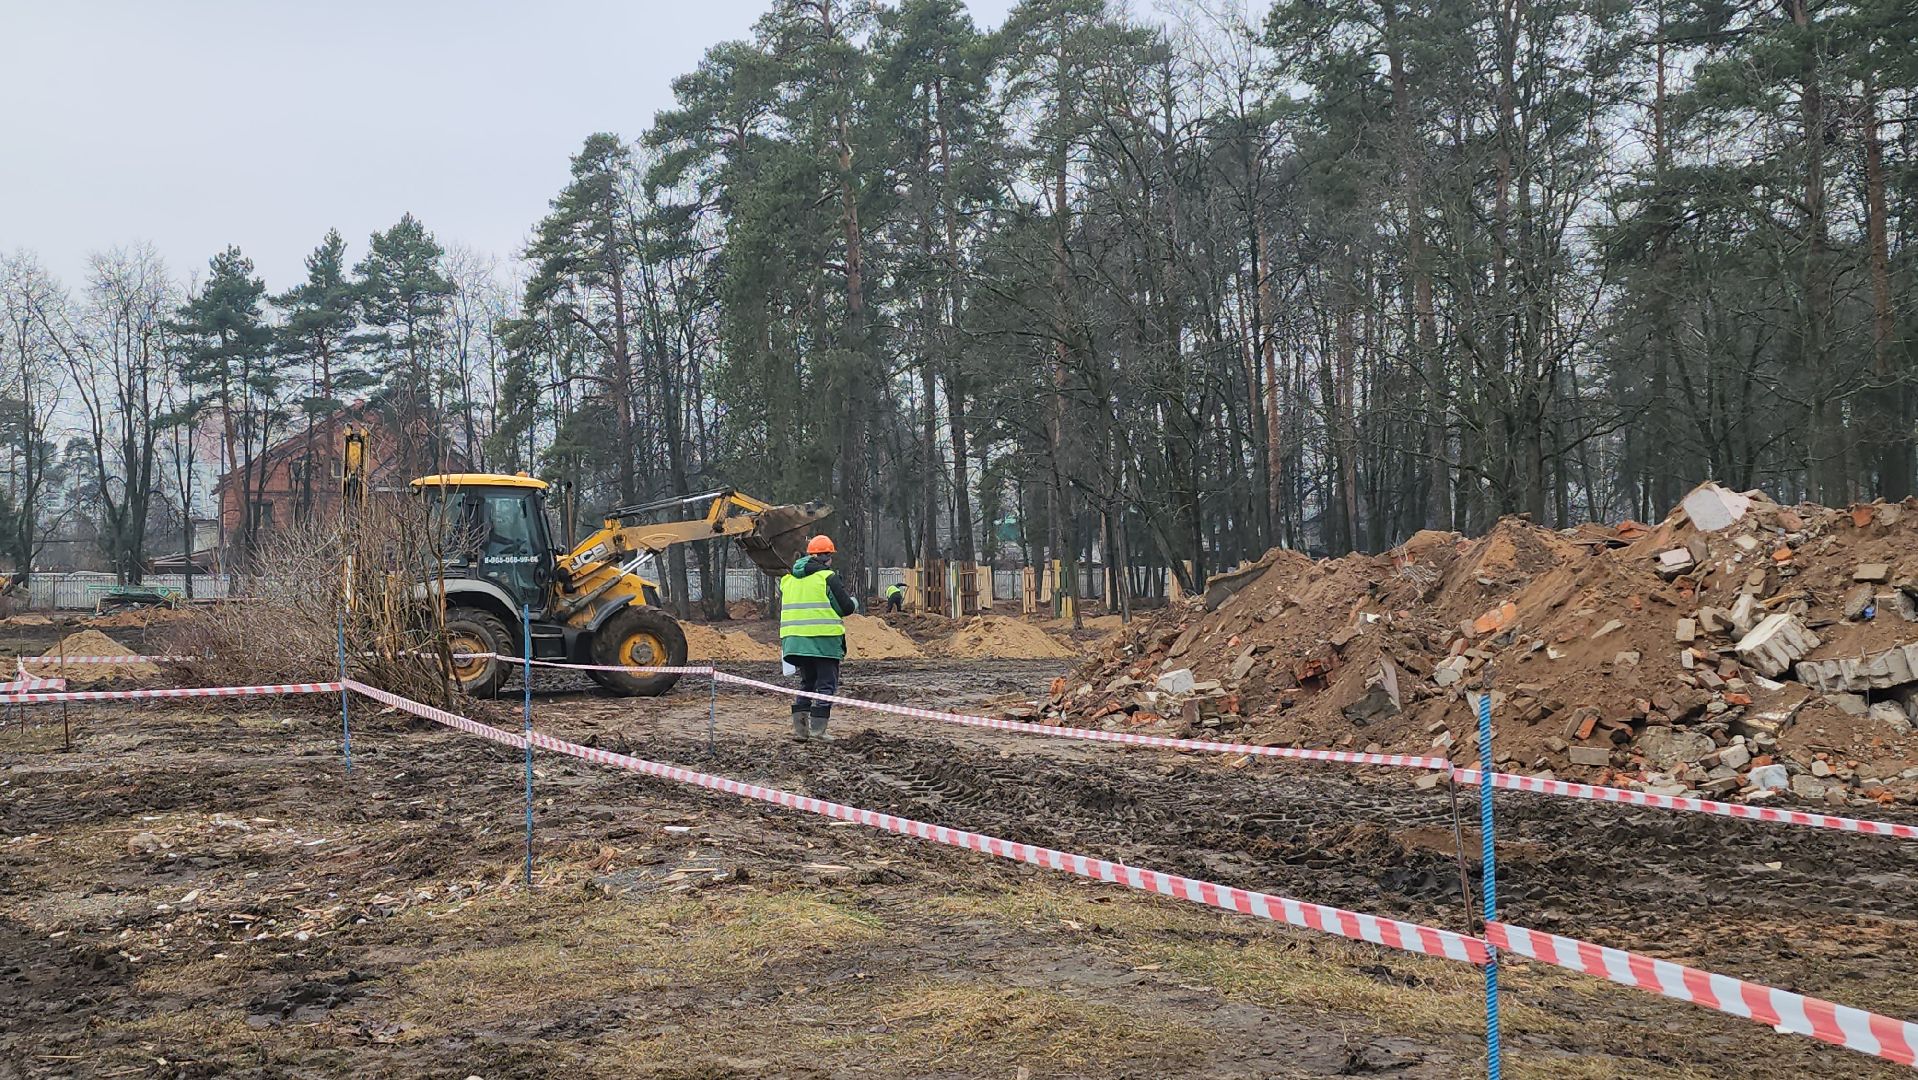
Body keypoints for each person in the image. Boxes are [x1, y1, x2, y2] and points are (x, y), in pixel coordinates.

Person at [780, 534, 859, 742]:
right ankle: (818, 731)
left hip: (795, 641)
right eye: (830, 556)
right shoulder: (827, 577)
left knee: (807, 682)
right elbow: (846, 608)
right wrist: (854, 602)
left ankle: (801, 730)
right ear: (825, 557)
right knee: (826, 685)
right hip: (823, 641)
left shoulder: (788, 580)